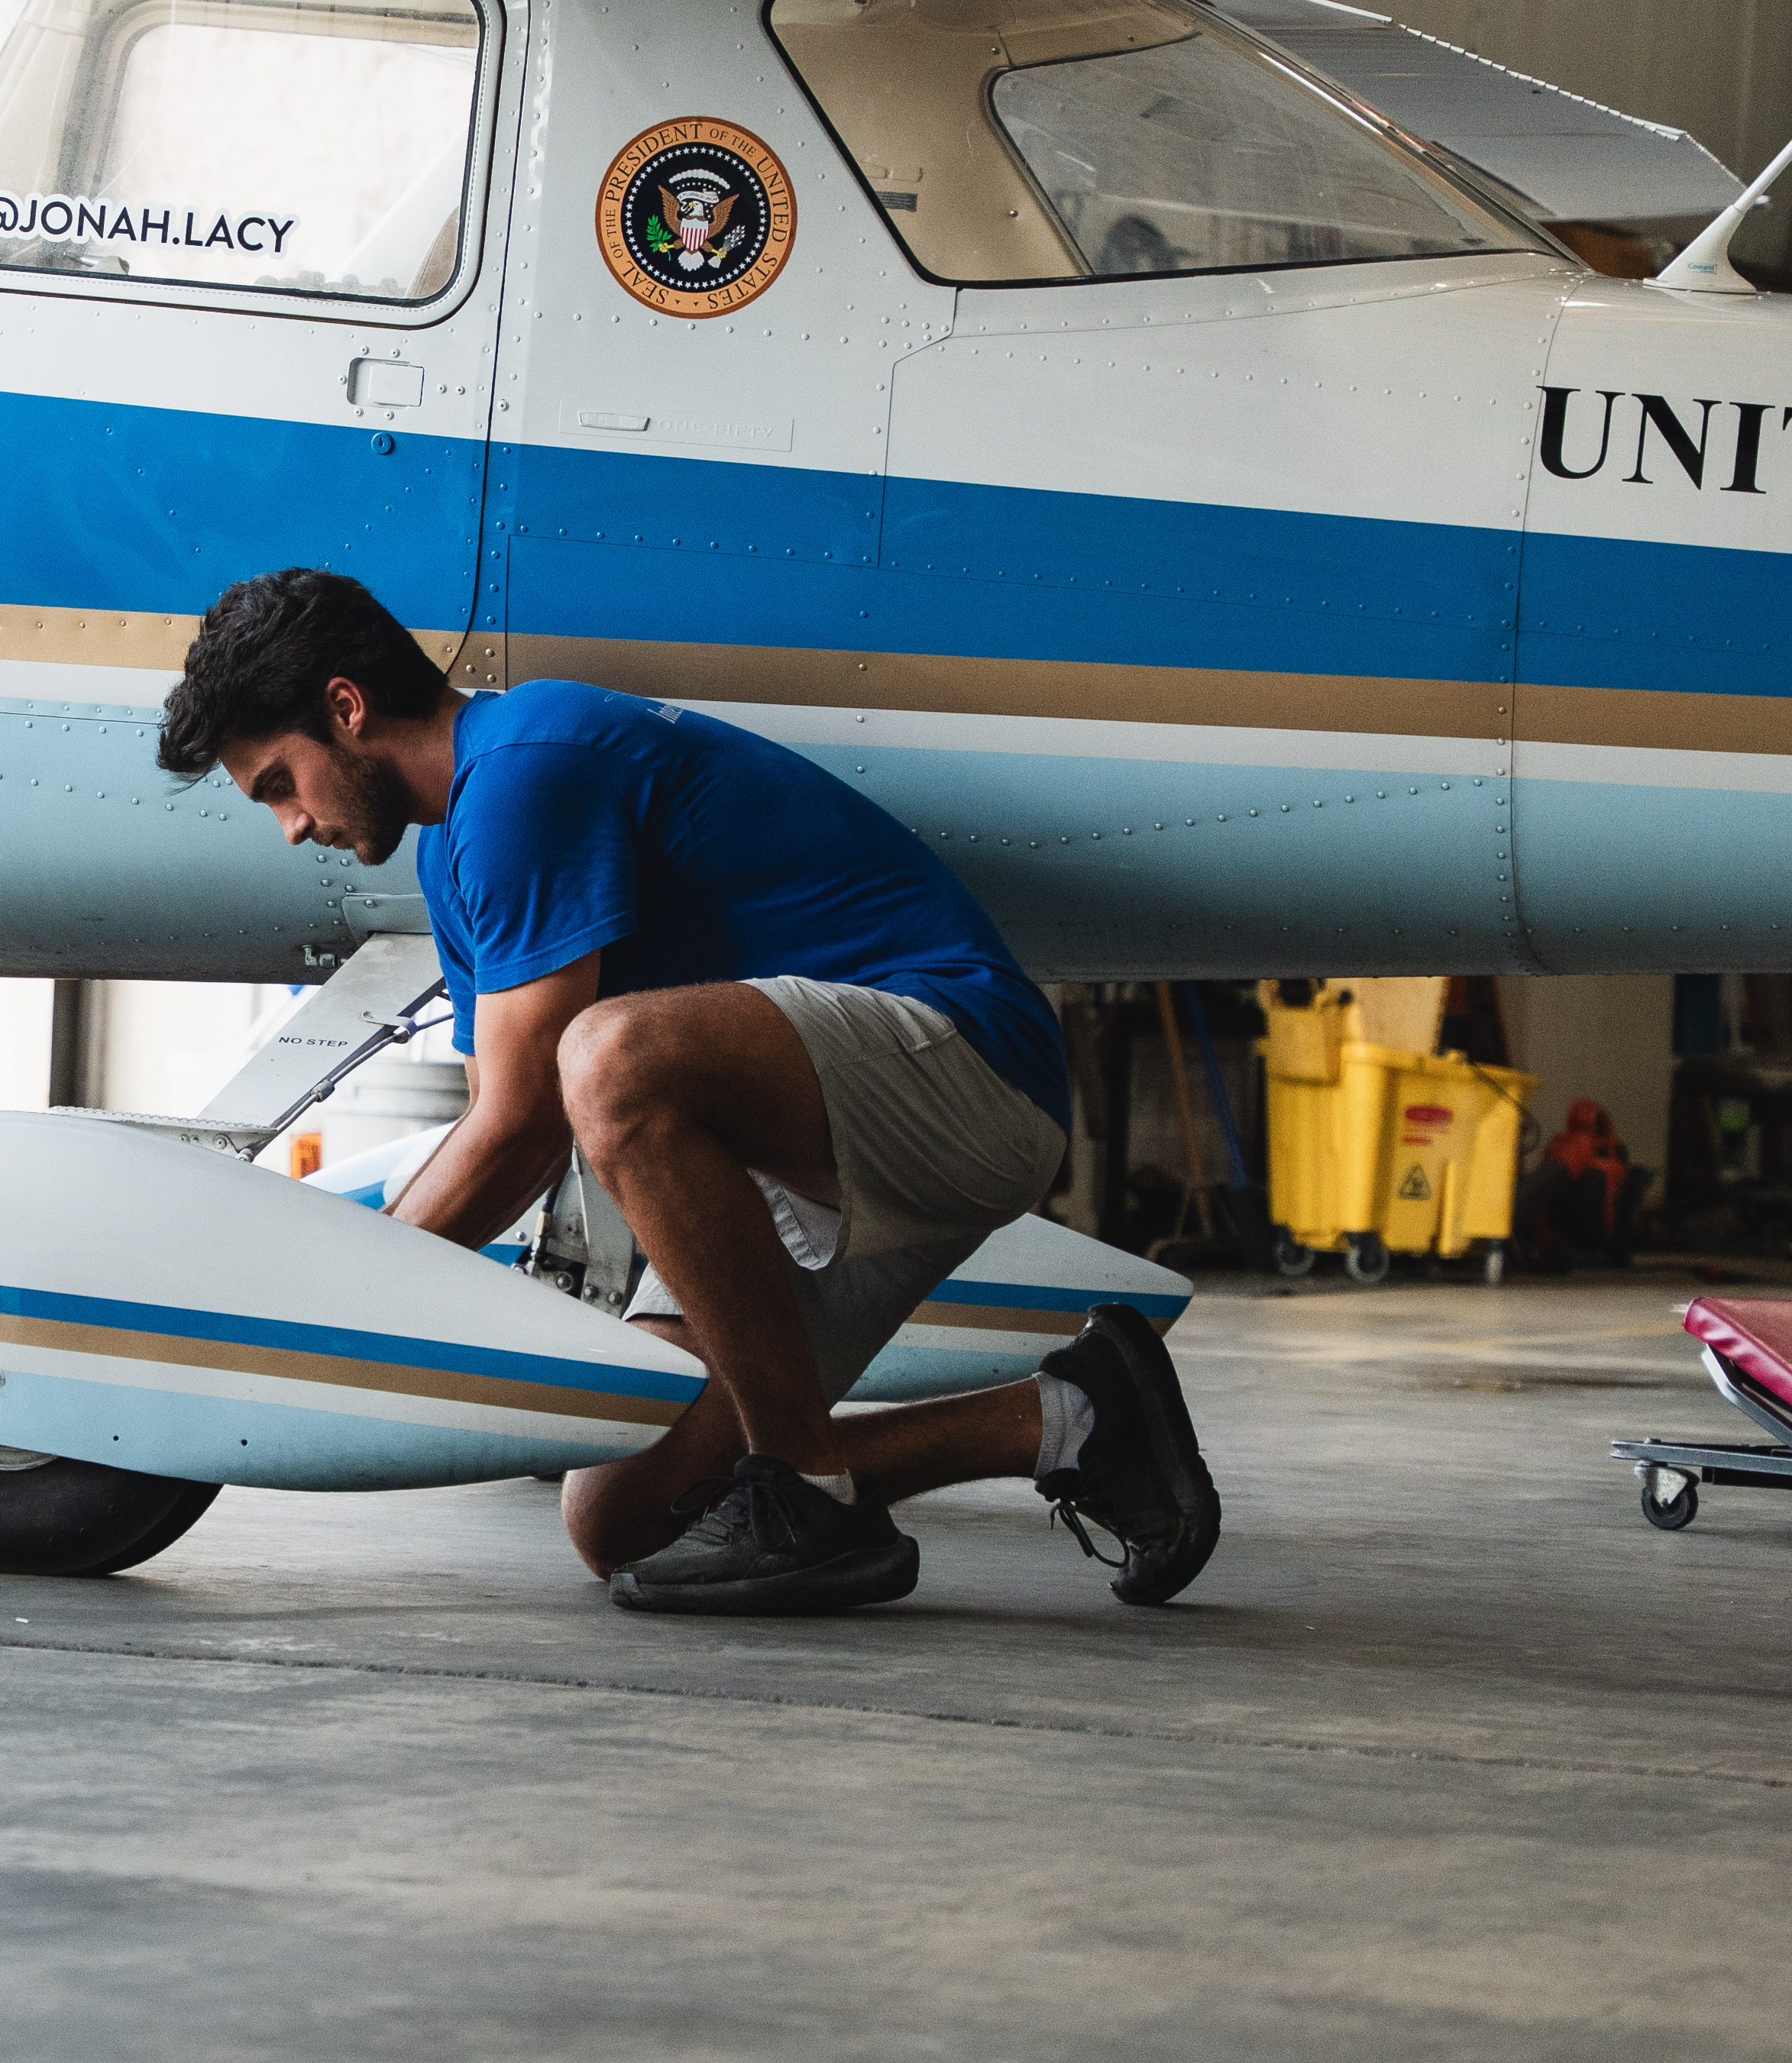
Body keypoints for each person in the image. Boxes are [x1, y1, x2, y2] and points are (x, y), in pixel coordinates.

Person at [155, 570, 1221, 1621]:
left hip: (963, 1070)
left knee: (607, 1060)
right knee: (623, 1515)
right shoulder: (456, 855)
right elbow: (497, 1127)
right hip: (804, 1145)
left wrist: (329, 1323)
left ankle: (809, 1485)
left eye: (279, 784)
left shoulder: (528, 764)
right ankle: (1074, 1416)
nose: (292, 825)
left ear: (345, 708)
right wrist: (363, 1313)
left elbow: (529, 1125)